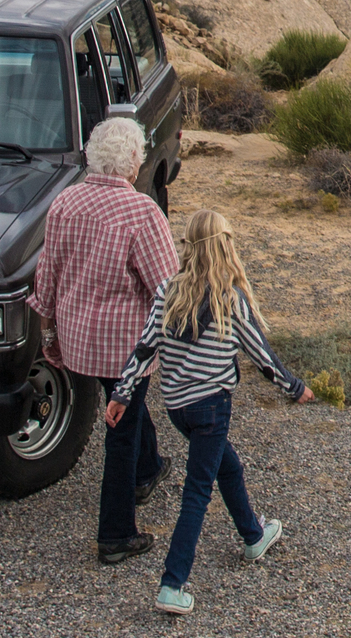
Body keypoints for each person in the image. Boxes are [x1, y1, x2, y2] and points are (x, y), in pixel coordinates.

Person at [110, 209, 313, 614]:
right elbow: (261, 355)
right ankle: (172, 584)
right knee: (197, 492)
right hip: (212, 407)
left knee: (227, 466)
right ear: (226, 246)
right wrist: (295, 387)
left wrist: (121, 392)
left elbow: (145, 347)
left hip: (177, 408)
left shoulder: (168, 291)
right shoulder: (229, 299)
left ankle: (254, 536)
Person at [29, 115, 175, 564]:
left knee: (123, 404)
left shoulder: (65, 203)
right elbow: (167, 286)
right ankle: (115, 533)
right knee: (121, 429)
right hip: (124, 348)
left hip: (76, 342)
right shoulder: (142, 212)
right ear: (133, 164)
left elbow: (46, 277)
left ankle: (148, 470)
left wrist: (49, 335)